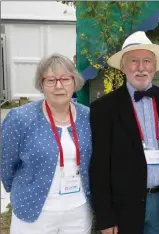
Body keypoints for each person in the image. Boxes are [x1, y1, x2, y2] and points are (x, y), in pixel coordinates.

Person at [89, 31, 159, 234]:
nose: (141, 68)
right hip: (123, 208)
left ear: (154, 66)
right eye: (134, 61)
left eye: (147, 61)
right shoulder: (103, 109)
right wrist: (105, 217)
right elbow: (99, 168)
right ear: (122, 67)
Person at [1, 53, 92, 233]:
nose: (59, 86)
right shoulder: (20, 118)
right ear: (41, 84)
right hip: (34, 210)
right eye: (51, 80)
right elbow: (6, 165)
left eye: (65, 79)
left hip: (78, 210)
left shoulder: (88, 116)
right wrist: (23, 190)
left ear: (75, 82)